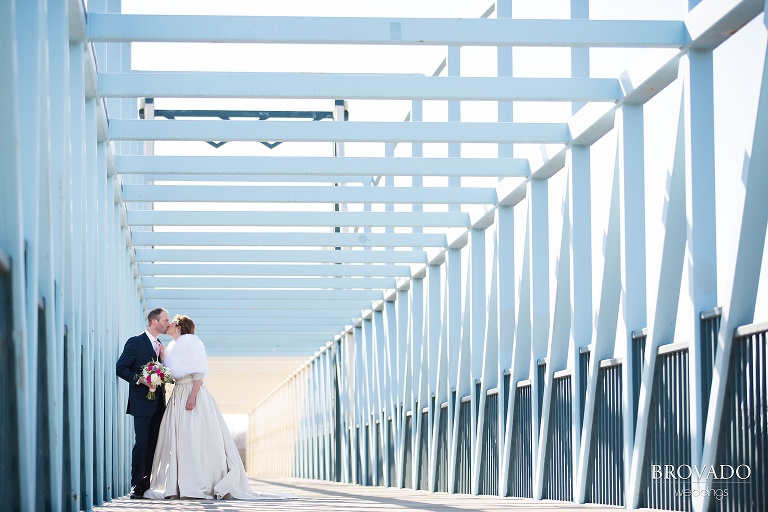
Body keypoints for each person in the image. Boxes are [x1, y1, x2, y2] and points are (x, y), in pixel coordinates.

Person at [143, 315, 294, 501]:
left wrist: (192, 396)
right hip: (179, 392)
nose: (170, 325)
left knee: (192, 437)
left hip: (191, 391)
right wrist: (164, 358)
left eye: (173, 322)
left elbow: (198, 372)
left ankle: (195, 483)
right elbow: (175, 373)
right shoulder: (174, 346)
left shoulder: (191, 343)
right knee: (181, 439)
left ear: (180, 327)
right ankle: (181, 484)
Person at [115, 307, 170, 499]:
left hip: (158, 404)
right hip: (141, 402)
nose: (168, 324)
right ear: (154, 321)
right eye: (165, 320)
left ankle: (147, 485)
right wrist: (141, 379)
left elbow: (163, 375)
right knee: (141, 443)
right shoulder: (136, 342)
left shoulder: (160, 346)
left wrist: (163, 360)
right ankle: (136, 485)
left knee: (154, 443)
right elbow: (121, 367)